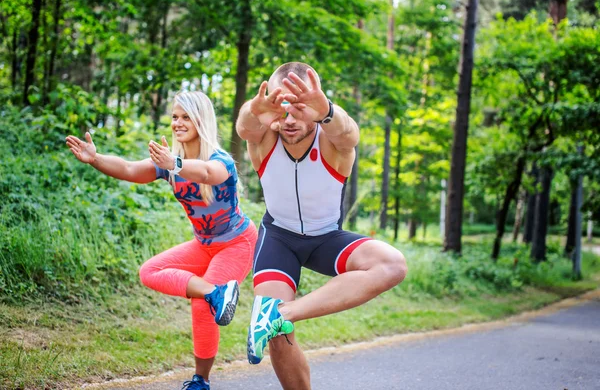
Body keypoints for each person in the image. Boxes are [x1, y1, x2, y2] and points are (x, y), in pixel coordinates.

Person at [66, 91, 257, 390]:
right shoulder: (169, 162)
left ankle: (200, 381)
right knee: (150, 271)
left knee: (200, 307)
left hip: (237, 243)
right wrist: (95, 159)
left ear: (201, 120)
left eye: (186, 117)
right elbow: (129, 169)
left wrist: (175, 163)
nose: (178, 123)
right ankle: (214, 292)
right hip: (203, 244)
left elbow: (208, 173)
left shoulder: (219, 161)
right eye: (175, 117)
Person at [236, 62, 408, 389]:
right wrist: (253, 108)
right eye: (280, 106)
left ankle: (281, 315)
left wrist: (327, 111)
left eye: (299, 108)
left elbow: (348, 132)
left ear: (315, 105)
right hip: (278, 240)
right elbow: (245, 128)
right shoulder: (263, 136)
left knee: (392, 264)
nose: (288, 119)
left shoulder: (331, 138)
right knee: (278, 339)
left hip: (327, 238)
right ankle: (276, 322)